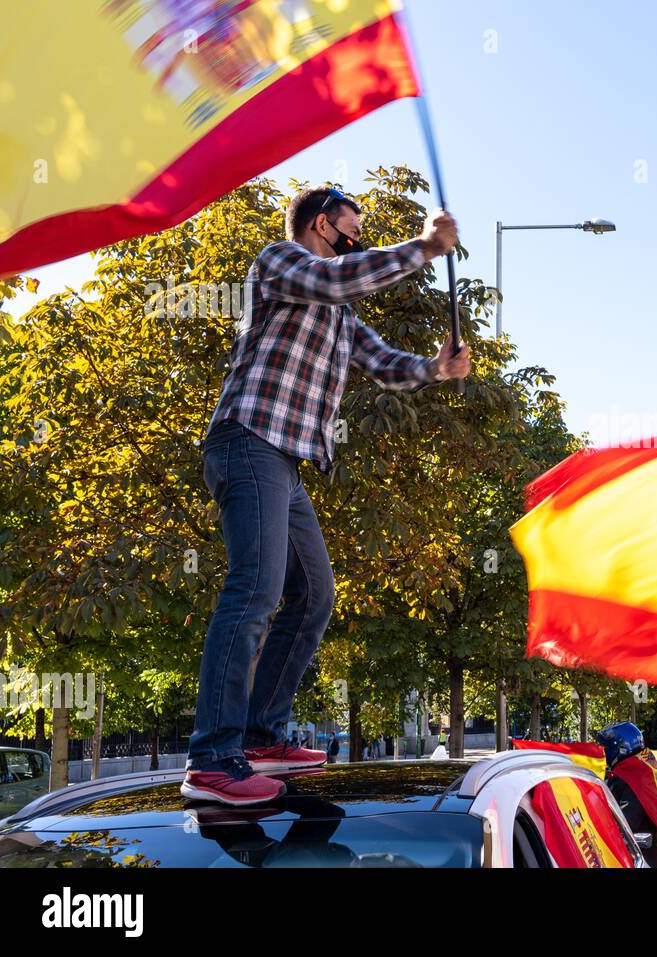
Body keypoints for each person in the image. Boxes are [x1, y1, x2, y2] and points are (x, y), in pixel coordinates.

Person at [181, 187, 469, 806]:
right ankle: (212, 756)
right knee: (254, 587)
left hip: (284, 459)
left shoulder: (337, 312)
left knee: (313, 593)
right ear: (321, 224)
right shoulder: (278, 264)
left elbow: (384, 363)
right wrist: (421, 247)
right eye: (352, 229)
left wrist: (435, 368)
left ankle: (262, 736)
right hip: (247, 439)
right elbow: (338, 281)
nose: (358, 239)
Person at [595, 721, 657, 868]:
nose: (602, 753)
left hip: (640, 860)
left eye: (605, 748)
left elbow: (623, 825)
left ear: (620, 749)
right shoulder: (644, 766)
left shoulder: (632, 779)